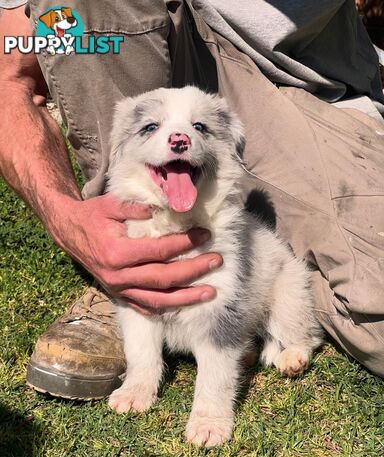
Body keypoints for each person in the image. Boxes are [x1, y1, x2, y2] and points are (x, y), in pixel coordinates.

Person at [0, 0, 383, 400]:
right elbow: (10, 80)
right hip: (161, 42)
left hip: (312, 86)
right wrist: (66, 217)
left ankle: (253, 295)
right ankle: (127, 258)